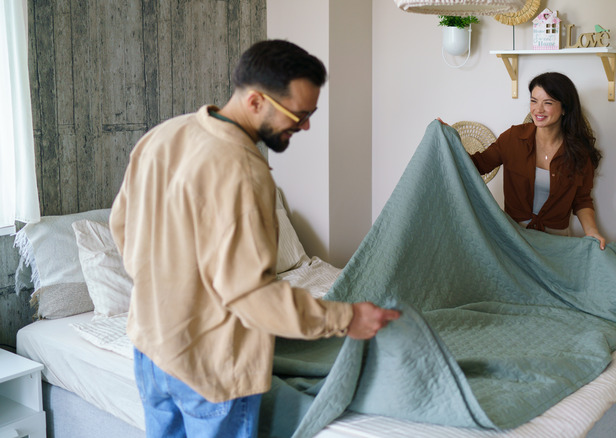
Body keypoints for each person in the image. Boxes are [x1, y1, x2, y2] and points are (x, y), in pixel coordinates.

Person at [109, 39, 400, 438]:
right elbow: (252, 296)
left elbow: (123, 229)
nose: (307, 126)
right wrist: (346, 318)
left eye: (311, 113)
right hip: (211, 368)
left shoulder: (163, 136)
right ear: (256, 101)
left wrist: (169, 290)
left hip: (151, 348)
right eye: (299, 114)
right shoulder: (243, 172)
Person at [455, 72, 606, 250]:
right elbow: (478, 164)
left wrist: (592, 231)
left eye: (547, 103)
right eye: (534, 101)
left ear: (565, 108)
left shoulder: (579, 152)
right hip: (514, 237)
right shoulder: (513, 138)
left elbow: (582, 200)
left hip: (556, 242)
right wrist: (447, 139)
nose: (538, 109)